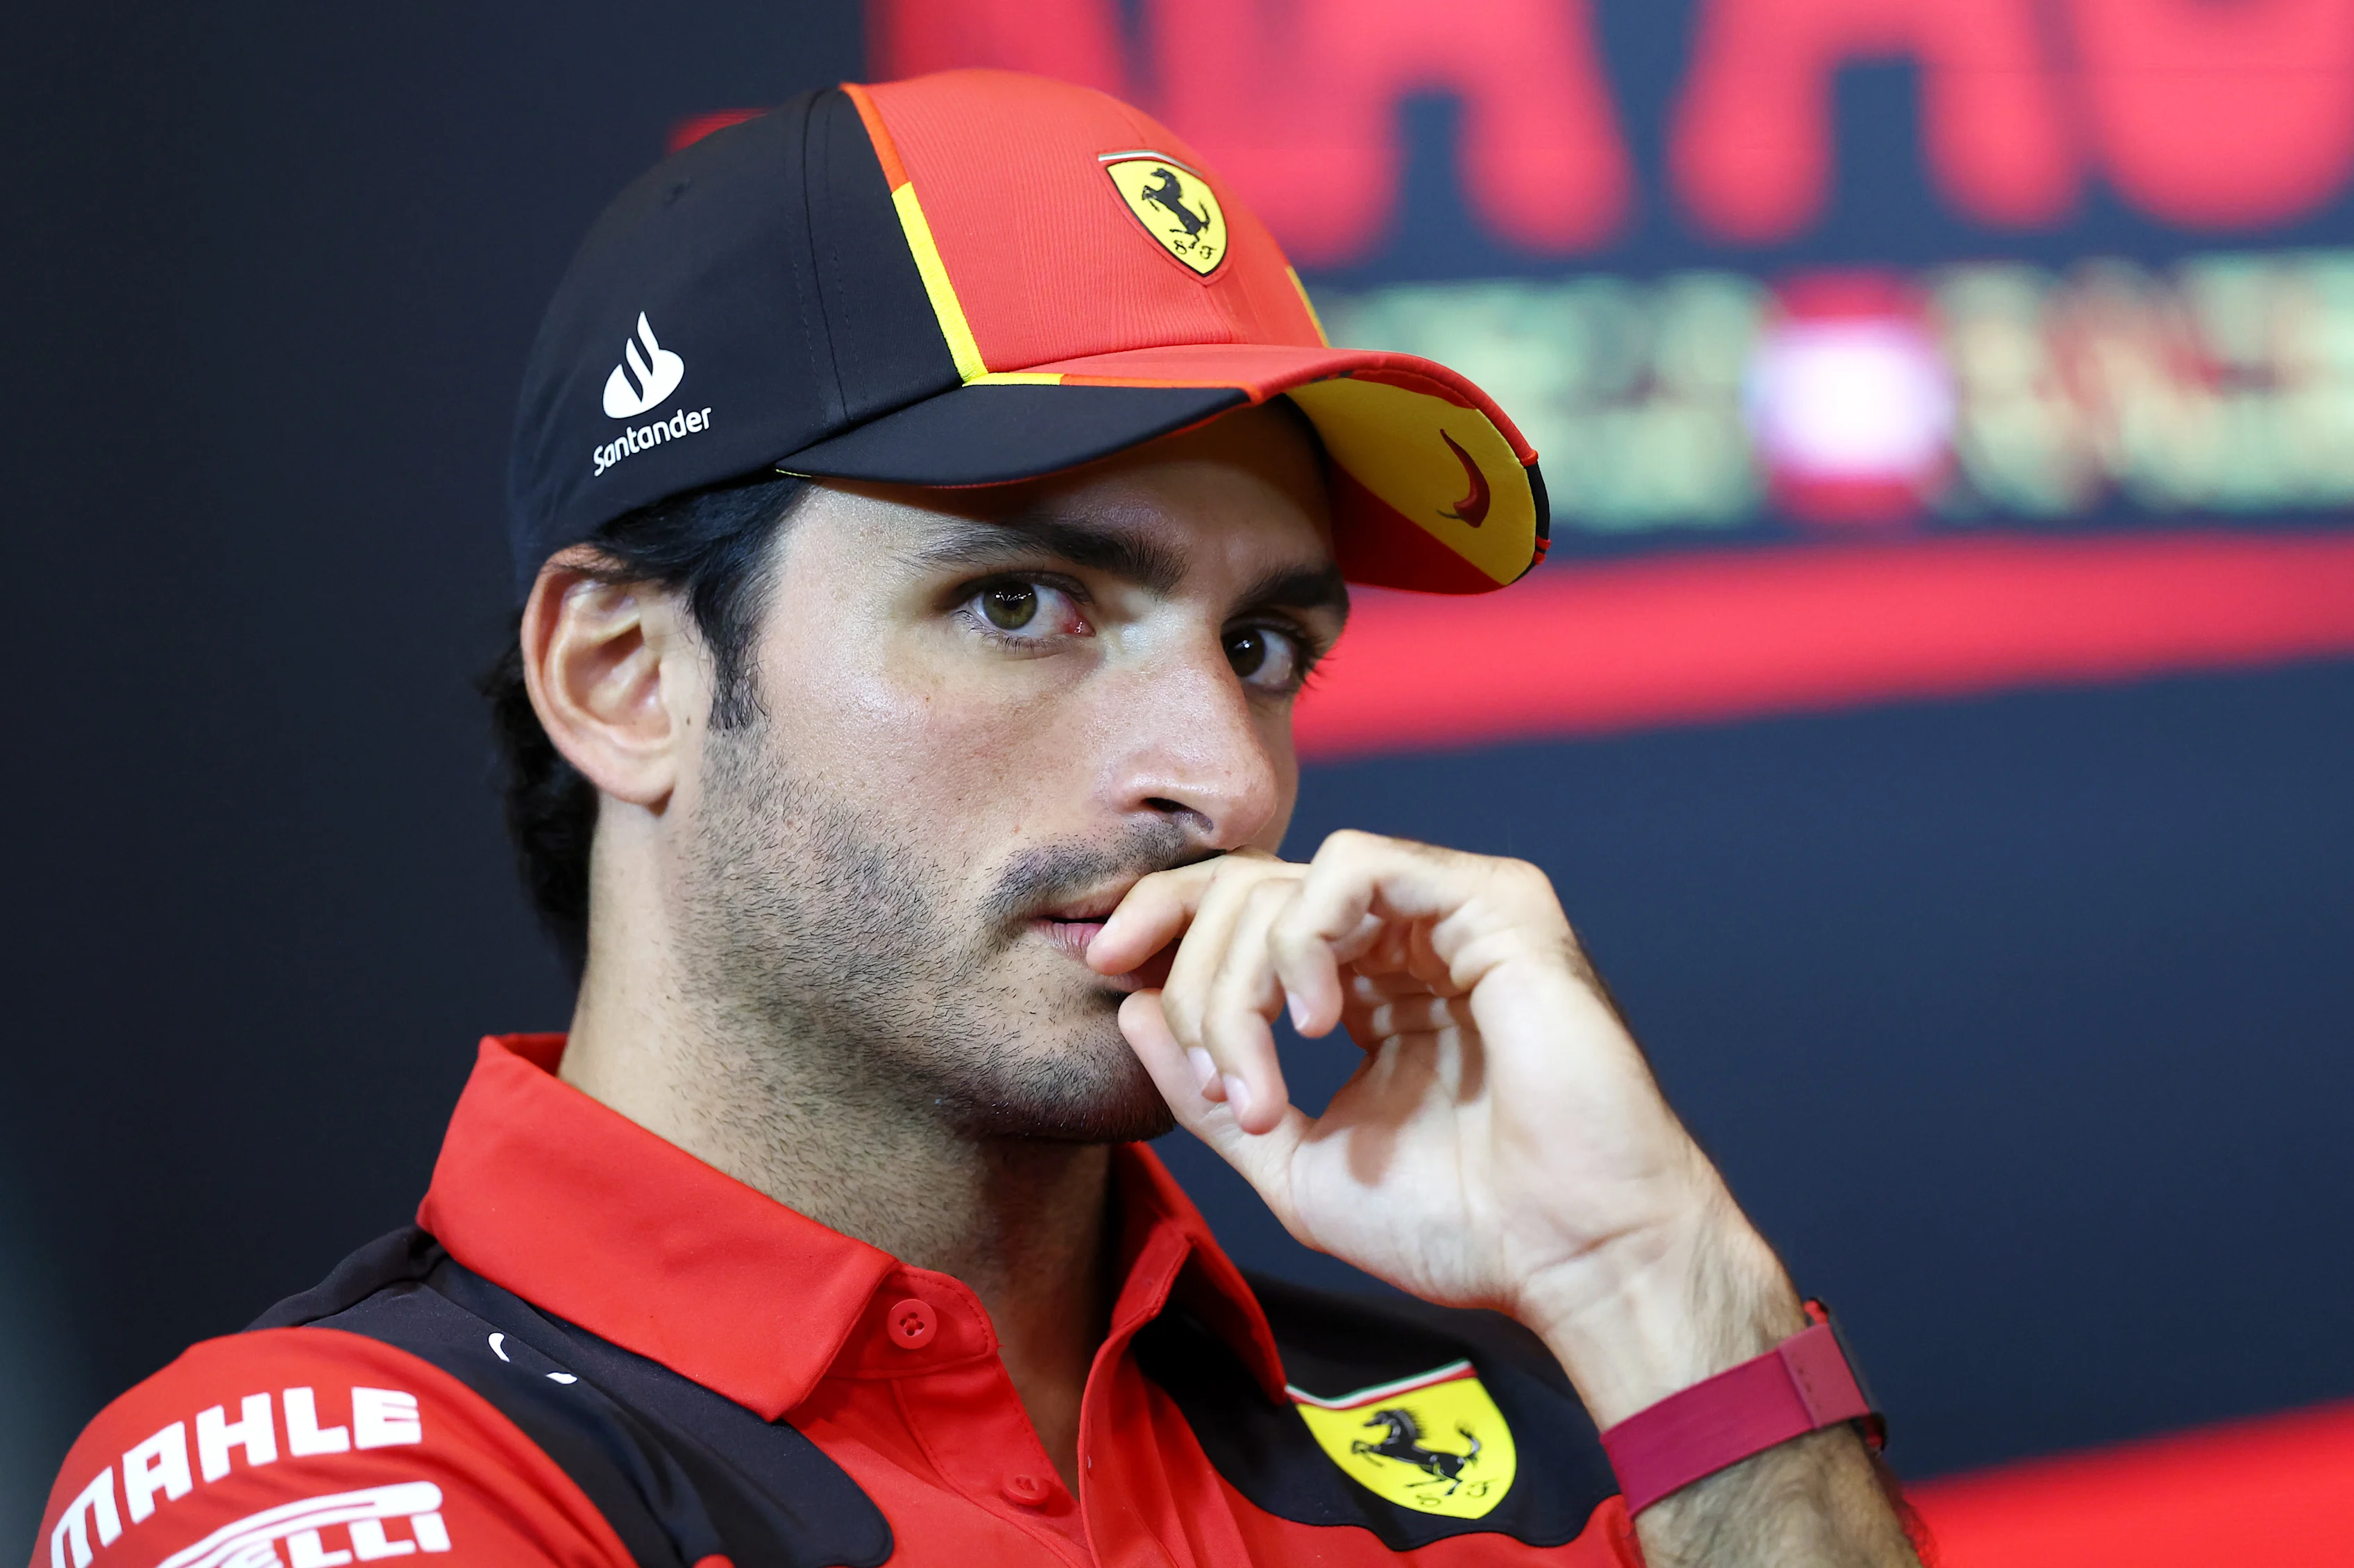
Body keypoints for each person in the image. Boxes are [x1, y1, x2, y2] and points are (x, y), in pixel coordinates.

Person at [34, 70, 1920, 1568]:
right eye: (1023, 603)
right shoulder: (349, 1477)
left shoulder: (1544, 1433)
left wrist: (1661, 1283)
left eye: (1265, 641)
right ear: (626, 674)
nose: (1218, 771)